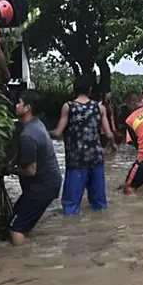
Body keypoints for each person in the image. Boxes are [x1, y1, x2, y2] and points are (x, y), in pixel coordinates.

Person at [51, 77, 115, 215]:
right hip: (96, 157)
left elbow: (57, 133)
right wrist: (113, 146)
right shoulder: (99, 107)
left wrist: (44, 132)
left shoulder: (68, 106)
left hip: (76, 159)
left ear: (74, 89)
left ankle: (73, 230)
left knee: (71, 204)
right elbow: (109, 134)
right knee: (99, 202)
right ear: (90, 90)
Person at [7, 90, 62, 246]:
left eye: (19, 102)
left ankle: (21, 264)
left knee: (15, 228)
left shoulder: (28, 135)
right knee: (15, 217)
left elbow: (31, 170)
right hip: (46, 184)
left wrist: (9, 170)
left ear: (27, 108)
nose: (16, 105)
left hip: (42, 187)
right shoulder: (36, 125)